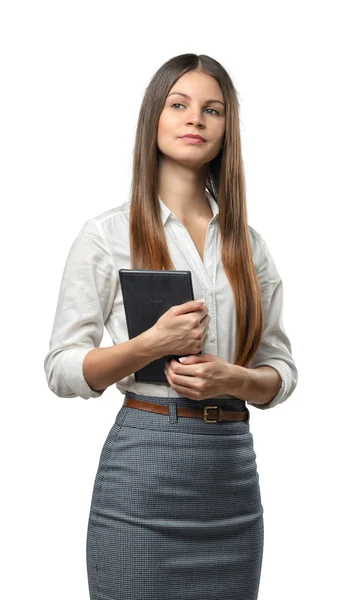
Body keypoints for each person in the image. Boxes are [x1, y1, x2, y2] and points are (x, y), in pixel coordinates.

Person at [44, 53, 298, 600]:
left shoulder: (247, 245)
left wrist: (235, 380)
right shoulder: (106, 234)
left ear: (227, 129)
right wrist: (148, 346)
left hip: (229, 476)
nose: (195, 120)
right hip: (142, 473)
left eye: (213, 109)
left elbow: (281, 370)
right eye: (178, 105)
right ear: (153, 119)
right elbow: (62, 369)